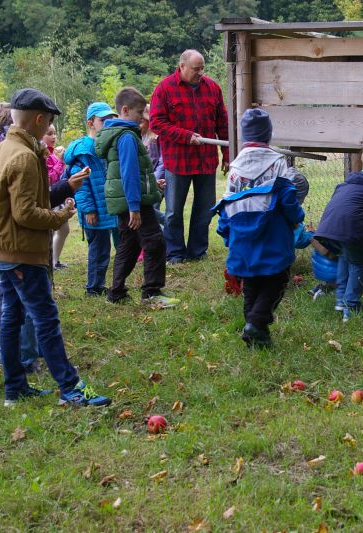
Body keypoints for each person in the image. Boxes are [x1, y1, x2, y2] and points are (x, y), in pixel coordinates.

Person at [0, 87, 110, 407]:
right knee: (45, 318)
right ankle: (70, 387)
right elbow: (25, 213)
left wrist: (63, 190)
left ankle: (14, 388)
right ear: (39, 119)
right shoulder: (24, 156)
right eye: (49, 121)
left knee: (11, 317)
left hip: (2, 250)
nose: (50, 127)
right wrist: (60, 215)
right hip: (22, 252)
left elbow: (9, 202)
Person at [214, 109, 304, 347]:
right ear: (268, 135)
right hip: (271, 233)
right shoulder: (277, 162)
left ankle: (254, 332)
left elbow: (227, 201)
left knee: (251, 283)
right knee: (277, 280)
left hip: (241, 234)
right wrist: (297, 216)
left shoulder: (235, 167)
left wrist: (226, 233)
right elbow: (287, 196)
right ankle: (256, 323)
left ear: (244, 136)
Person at [96, 87, 179, 308]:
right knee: (155, 242)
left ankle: (116, 292)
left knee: (129, 245)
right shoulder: (126, 137)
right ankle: (151, 293)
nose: (143, 117)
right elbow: (129, 172)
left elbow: (132, 172)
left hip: (125, 200)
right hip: (134, 202)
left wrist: (151, 184)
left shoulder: (118, 133)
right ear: (125, 110)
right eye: (140, 112)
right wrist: (134, 206)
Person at [150, 49, 230, 264]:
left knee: (205, 209)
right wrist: (185, 136)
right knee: (174, 211)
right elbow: (156, 123)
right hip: (178, 161)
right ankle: (175, 253)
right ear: (182, 66)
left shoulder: (212, 87)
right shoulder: (164, 88)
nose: (200, 73)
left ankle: (197, 251)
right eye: (196, 69)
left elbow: (223, 123)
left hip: (206, 159)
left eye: (202, 68)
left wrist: (227, 154)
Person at [314, 148, 363, 322]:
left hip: (327, 231)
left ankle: (340, 302)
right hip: (352, 232)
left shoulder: (346, 184)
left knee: (345, 259)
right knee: (358, 265)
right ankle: (352, 307)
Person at [66, 102, 119, 296]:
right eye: (103, 121)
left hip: (109, 208)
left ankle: (101, 284)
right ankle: (94, 288)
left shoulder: (109, 145)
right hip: (94, 211)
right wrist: (88, 209)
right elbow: (80, 184)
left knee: (107, 249)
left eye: (111, 121)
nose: (108, 124)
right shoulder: (84, 151)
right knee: (98, 251)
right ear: (91, 123)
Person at [43, 124, 70, 269]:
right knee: (56, 230)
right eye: (49, 133)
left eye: (54, 133)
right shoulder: (44, 154)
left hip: (58, 196)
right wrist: (60, 161)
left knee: (63, 229)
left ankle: (54, 261)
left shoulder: (53, 153)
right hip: (50, 197)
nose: (53, 137)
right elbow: (50, 178)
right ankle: (51, 262)